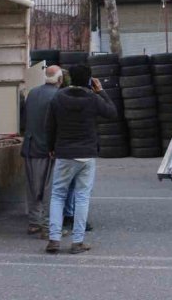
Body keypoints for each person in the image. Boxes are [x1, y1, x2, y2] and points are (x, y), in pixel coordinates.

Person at [45, 64, 118, 255]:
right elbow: (112, 113)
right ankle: (77, 242)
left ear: (69, 79)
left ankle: (54, 239)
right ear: (88, 80)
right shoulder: (93, 99)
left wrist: (51, 148)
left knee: (58, 195)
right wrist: (101, 91)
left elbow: (50, 125)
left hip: (64, 153)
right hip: (86, 154)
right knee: (82, 197)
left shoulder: (58, 98)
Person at [21, 65, 62, 238]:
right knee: (48, 189)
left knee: (32, 188)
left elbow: (24, 121)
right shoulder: (58, 96)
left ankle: (34, 223)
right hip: (46, 148)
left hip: (29, 147)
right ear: (59, 80)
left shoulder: (32, 93)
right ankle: (47, 227)